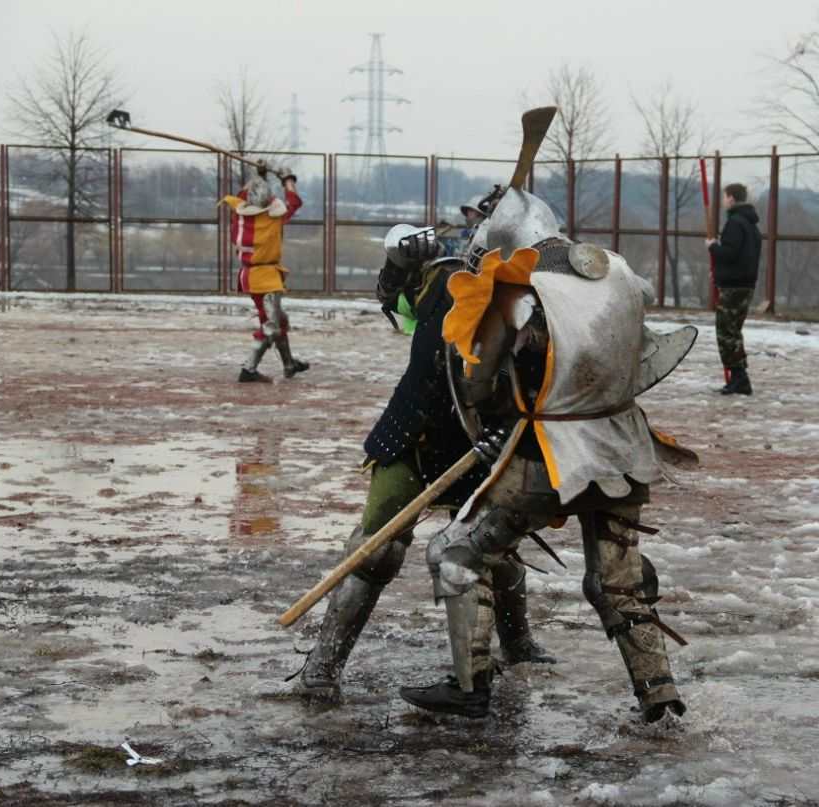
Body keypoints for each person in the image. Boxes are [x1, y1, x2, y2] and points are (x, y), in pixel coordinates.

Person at [397, 187, 697, 723]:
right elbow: (640, 358)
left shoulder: (515, 292)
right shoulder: (618, 273)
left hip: (548, 461)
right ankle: (660, 696)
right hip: (624, 451)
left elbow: (477, 386)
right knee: (616, 583)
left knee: (457, 554)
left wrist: (497, 410)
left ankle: (471, 687)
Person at [292, 220, 554, 697]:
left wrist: (512, 433)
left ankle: (517, 643)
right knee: (375, 549)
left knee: (492, 550)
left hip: (485, 446)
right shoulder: (445, 280)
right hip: (413, 432)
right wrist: (398, 261)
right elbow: (394, 299)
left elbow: (545, 393)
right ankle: (324, 665)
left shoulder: (545, 314)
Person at [221, 164, 310, 383]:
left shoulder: (240, 215)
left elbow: (241, 196)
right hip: (266, 278)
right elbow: (295, 202)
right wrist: (287, 178)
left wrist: (257, 177)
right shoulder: (272, 219)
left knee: (278, 320)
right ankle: (248, 369)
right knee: (271, 326)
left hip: (249, 276)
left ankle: (289, 364)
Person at [705, 182, 762, 396]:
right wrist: (719, 274)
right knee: (733, 331)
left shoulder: (735, 223)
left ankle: (740, 378)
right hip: (744, 284)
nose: (722, 202)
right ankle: (738, 377)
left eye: (723, 197)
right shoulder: (750, 224)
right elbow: (740, 258)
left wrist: (712, 246)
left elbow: (729, 253)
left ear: (730, 198)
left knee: (727, 332)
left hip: (734, 287)